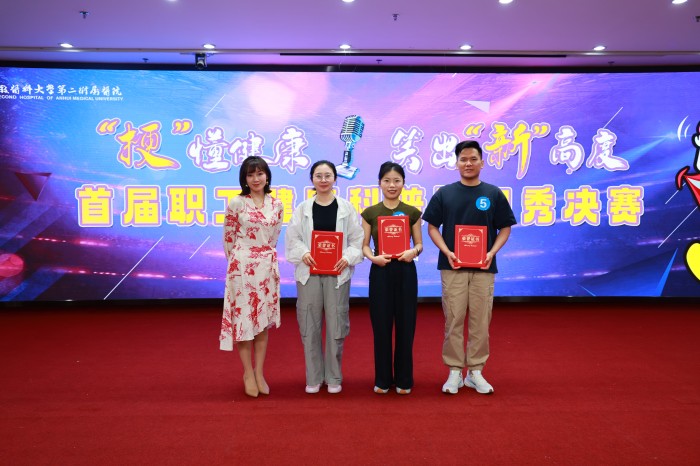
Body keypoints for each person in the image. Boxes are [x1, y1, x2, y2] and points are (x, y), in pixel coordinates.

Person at [422, 140, 516, 395]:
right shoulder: (445, 194)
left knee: (481, 320)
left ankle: (475, 372)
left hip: (484, 267)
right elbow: (432, 227)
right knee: (453, 319)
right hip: (452, 266)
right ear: (456, 163)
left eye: (473, 159)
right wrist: (447, 251)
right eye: (463, 159)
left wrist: (491, 252)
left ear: (482, 162)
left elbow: (505, 227)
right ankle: (454, 371)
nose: (468, 163)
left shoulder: (493, 194)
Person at [285, 160, 364, 394]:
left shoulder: (346, 208)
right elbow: (293, 238)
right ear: (312, 179)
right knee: (309, 323)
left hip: (337, 273)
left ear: (335, 179)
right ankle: (313, 377)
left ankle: (333, 377)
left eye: (327, 175)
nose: (323, 180)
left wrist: (347, 258)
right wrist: (304, 253)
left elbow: (357, 240)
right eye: (318, 176)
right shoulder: (303, 209)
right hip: (309, 273)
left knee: (337, 323)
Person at [219, 156, 284, 398]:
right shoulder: (237, 203)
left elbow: (274, 236)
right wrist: (238, 265)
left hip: (265, 267)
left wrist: (263, 259)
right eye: (250, 175)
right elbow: (228, 238)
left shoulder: (277, 204)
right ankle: (247, 373)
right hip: (242, 268)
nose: (256, 179)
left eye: (259, 174)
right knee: (244, 322)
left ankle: (259, 372)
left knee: (262, 324)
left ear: (267, 176)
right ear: (244, 179)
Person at [361, 162, 423, 395]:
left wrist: (413, 252)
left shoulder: (412, 212)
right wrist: (373, 258)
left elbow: (419, 244)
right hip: (381, 271)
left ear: (403, 183)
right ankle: (383, 379)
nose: (392, 185)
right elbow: (364, 245)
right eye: (387, 180)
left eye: (397, 180)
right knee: (381, 326)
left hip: (406, 271)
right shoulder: (370, 213)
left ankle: (404, 379)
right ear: (379, 183)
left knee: (406, 326)